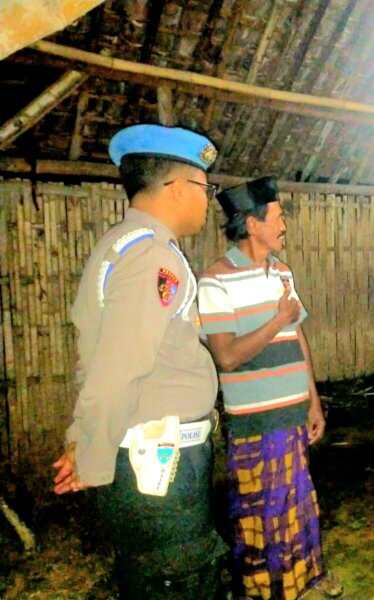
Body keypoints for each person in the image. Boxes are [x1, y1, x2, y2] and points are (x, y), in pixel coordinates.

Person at [52, 124, 227, 598]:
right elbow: (118, 371)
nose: (208, 201)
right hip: (161, 467)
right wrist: (89, 454)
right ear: (175, 187)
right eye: (205, 188)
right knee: (179, 578)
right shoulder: (153, 259)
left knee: (152, 576)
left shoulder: (120, 247)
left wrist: (82, 441)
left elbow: (100, 360)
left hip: (145, 456)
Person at [198, 176, 342, 600]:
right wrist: (277, 319)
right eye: (277, 217)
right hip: (255, 422)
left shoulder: (282, 273)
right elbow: (226, 356)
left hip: (293, 412)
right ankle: (265, 590)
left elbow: (297, 338)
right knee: (261, 510)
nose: (284, 226)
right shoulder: (215, 282)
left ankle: (309, 577)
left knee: (298, 500)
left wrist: (313, 402)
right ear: (252, 223)